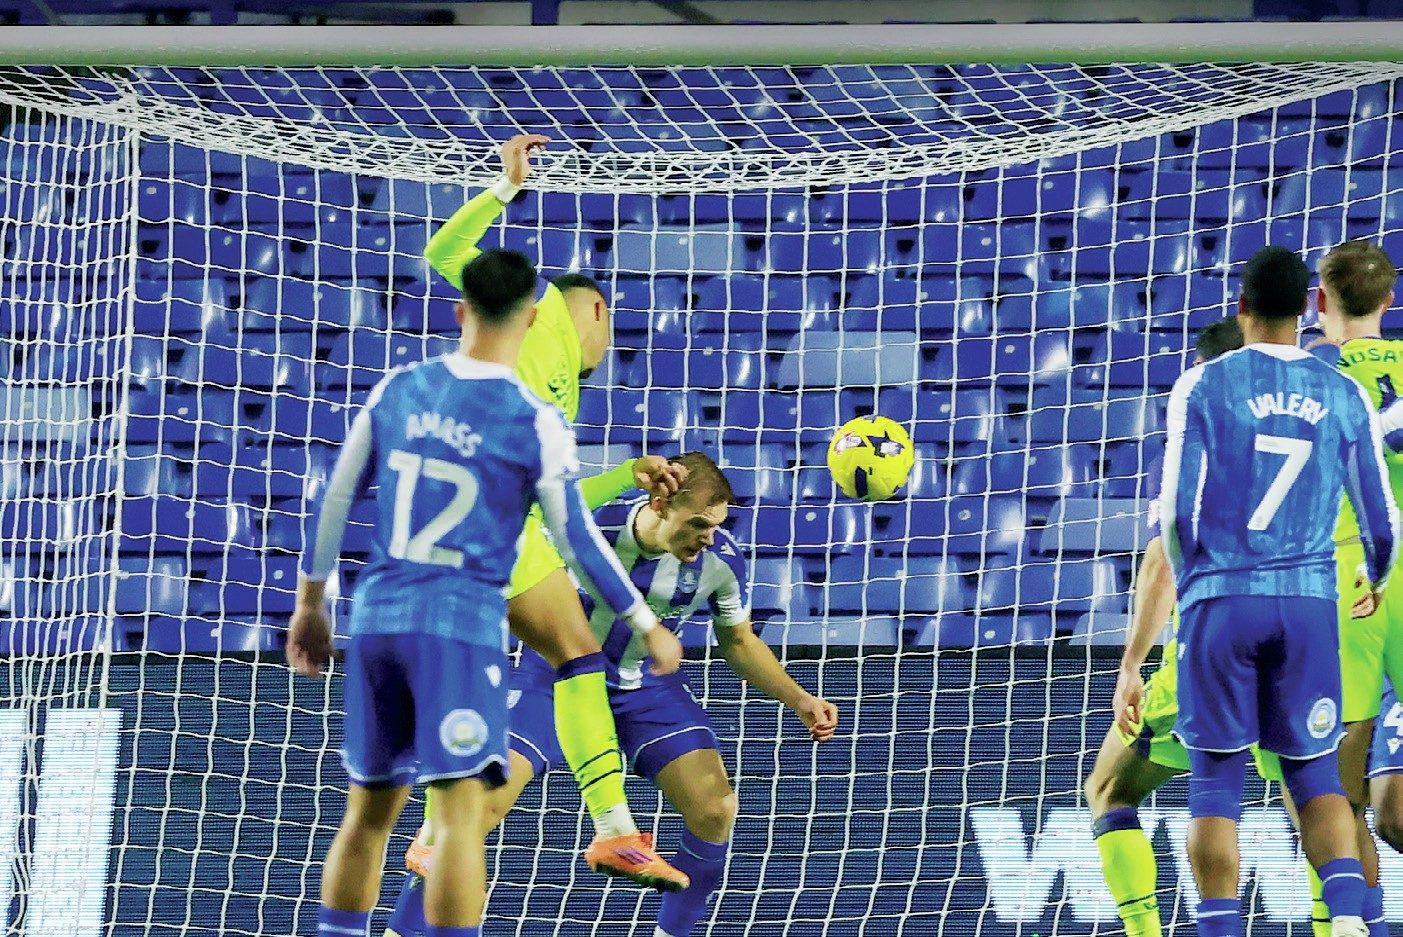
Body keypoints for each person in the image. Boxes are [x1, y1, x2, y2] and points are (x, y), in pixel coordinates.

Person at [287, 248, 671, 937]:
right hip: (457, 624)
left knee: (367, 816)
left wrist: (310, 602)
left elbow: (336, 497)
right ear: (531, 318)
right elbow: (580, 538)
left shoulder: (399, 388)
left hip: (378, 616)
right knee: (457, 822)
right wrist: (645, 618)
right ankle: (611, 820)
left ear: (460, 313)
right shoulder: (531, 415)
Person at [384, 453, 840, 937]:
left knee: (716, 808)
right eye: (699, 524)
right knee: (474, 812)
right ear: (660, 503)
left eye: (716, 526)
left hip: (644, 689)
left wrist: (800, 699)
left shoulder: (720, 561)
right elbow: (529, 515)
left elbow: (740, 641)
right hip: (552, 681)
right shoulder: (589, 527)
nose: (708, 537)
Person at [412, 132, 688, 889]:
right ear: (594, 308)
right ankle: (609, 833)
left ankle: (447, 835)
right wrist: (504, 188)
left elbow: (557, 495)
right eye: (612, 327)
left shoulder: (555, 378)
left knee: (568, 657)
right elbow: (443, 252)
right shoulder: (535, 311)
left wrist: (624, 477)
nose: (609, 347)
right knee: (576, 653)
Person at [1159, 245, 1399, 937]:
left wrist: (1195, 579)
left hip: (1221, 596)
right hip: (1306, 602)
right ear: (1305, 308)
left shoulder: (1202, 384)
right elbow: (1378, 518)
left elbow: (1177, 509)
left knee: (1215, 785)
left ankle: (1218, 929)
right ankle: (1353, 922)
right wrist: (1374, 576)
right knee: (1317, 775)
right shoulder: (1340, 390)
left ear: (1240, 308)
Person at [1086, 317, 1246, 937]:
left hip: (1213, 650)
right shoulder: (1315, 422)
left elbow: (1161, 564)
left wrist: (1131, 664)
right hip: (1311, 645)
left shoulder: (1195, 440)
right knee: (1324, 805)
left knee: (1109, 789)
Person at [1304, 238, 1403, 936]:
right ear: (1388, 300)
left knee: (1338, 795)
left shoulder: (1310, 370)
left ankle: (1352, 924)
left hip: (1352, 584)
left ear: (1319, 300)